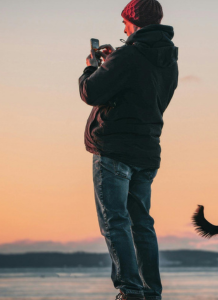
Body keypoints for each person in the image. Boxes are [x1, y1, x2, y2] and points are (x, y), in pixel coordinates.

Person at [78, 0, 178, 299]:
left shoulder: (129, 55)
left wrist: (92, 69)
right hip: (147, 151)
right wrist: (114, 63)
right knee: (142, 225)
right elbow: (147, 98)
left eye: (124, 23)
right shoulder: (168, 60)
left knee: (116, 222)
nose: (123, 29)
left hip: (114, 149)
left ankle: (130, 290)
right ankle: (151, 292)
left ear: (134, 22)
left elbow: (91, 92)